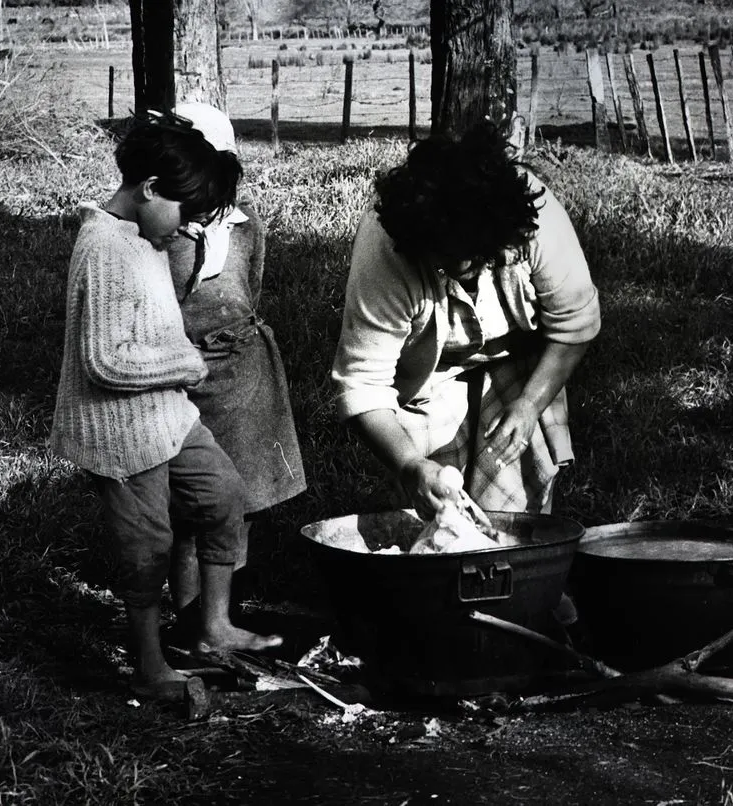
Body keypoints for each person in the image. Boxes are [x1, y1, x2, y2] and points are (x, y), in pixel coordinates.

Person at [49, 110, 281, 701]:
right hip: (119, 429)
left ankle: (214, 627)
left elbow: (159, 325)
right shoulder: (104, 247)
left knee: (224, 495)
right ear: (151, 189)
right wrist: (186, 365)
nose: (184, 228)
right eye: (183, 212)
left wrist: (179, 362)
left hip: (169, 415)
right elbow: (105, 361)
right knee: (147, 545)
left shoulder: (145, 235)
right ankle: (151, 668)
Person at [331, 121, 601, 519]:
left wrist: (529, 405)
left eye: (474, 255)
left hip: (520, 360)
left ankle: (516, 568)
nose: (460, 266)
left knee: (514, 512)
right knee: (433, 504)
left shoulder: (535, 220)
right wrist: (410, 466)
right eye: (444, 256)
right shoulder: (386, 245)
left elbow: (574, 324)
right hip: (426, 373)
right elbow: (363, 382)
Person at [164, 102, 306, 640]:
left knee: (238, 497)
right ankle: (186, 618)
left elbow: (250, 294)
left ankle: (221, 615)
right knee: (186, 505)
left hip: (242, 379)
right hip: (180, 375)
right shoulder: (155, 235)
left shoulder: (248, 230)